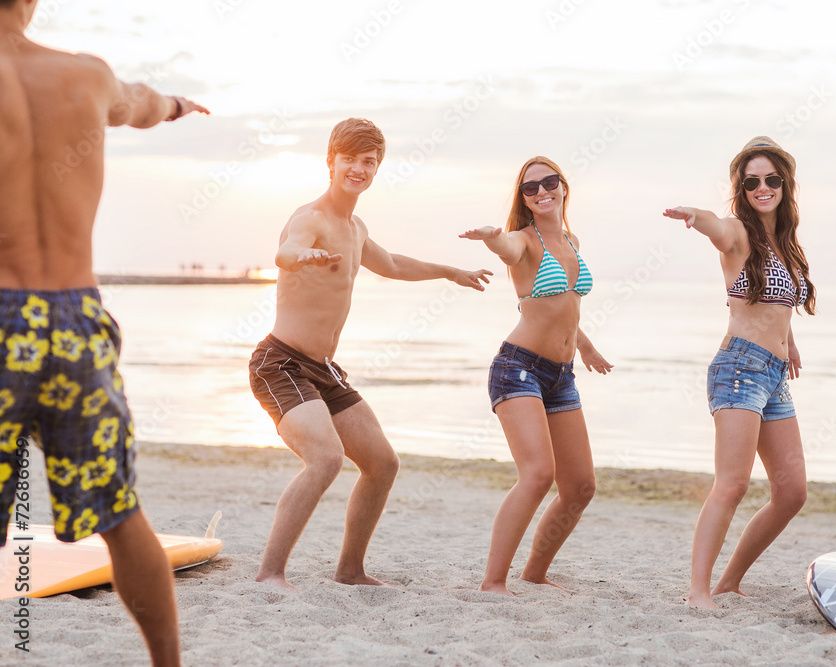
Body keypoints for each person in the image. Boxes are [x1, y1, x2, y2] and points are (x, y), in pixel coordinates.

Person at [0, 1, 209, 664]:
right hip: (74, 320)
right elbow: (143, 103)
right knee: (119, 515)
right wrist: (175, 104)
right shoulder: (87, 76)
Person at [250, 117, 492, 590]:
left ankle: (350, 570)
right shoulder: (311, 218)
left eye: (369, 162)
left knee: (382, 464)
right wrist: (303, 256)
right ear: (331, 161)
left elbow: (394, 264)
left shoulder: (355, 227)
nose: (358, 169)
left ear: (377, 168)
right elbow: (285, 251)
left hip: (323, 370)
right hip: (280, 363)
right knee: (325, 459)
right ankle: (269, 574)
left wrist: (449, 271)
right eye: (350, 159)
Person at [663, 136, 816, 609]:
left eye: (771, 179)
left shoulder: (787, 244)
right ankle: (698, 592)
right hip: (738, 368)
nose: (762, 187)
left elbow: (778, 303)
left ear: (784, 185)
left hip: (771, 375)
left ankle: (730, 582)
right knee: (731, 483)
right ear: (742, 188)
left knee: (792, 492)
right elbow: (718, 229)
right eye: (752, 181)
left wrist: (788, 342)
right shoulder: (738, 233)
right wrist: (697, 217)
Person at [460, 156, 613, 596]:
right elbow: (507, 248)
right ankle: (493, 582)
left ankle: (534, 572)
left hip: (560, 377)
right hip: (518, 369)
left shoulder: (571, 239)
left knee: (581, 486)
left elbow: (566, 307)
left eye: (550, 183)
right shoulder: (523, 242)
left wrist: (586, 348)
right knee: (537, 475)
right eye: (531, 188)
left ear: (564, 187)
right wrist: (492, 239)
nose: (542, 191)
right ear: (523, 199)